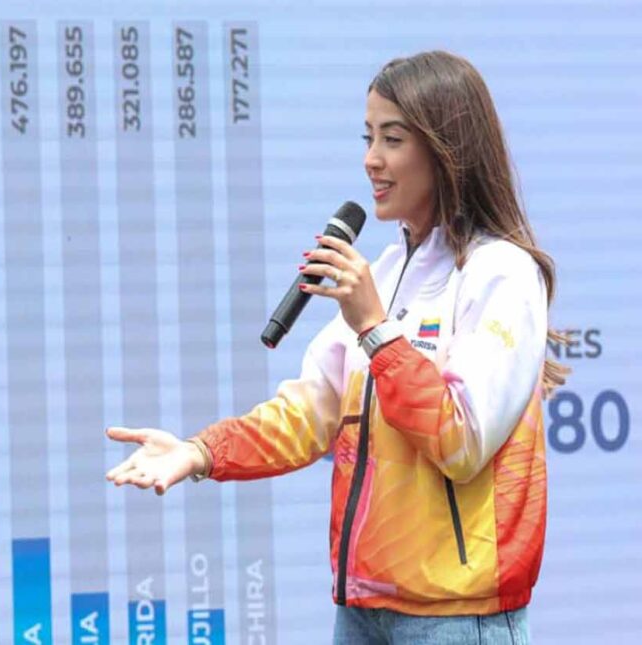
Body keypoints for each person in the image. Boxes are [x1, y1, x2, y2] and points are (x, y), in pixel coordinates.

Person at [106, 51, 567, 644]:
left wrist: (375, 327)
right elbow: (305, 415)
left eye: (392, 139)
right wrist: (198, 452)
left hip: (459, 617)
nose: (371, 159)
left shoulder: (500, 272)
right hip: (362, 612)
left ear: (445, 148)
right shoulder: (387, 268)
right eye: (368, 136)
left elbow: (461, 440)